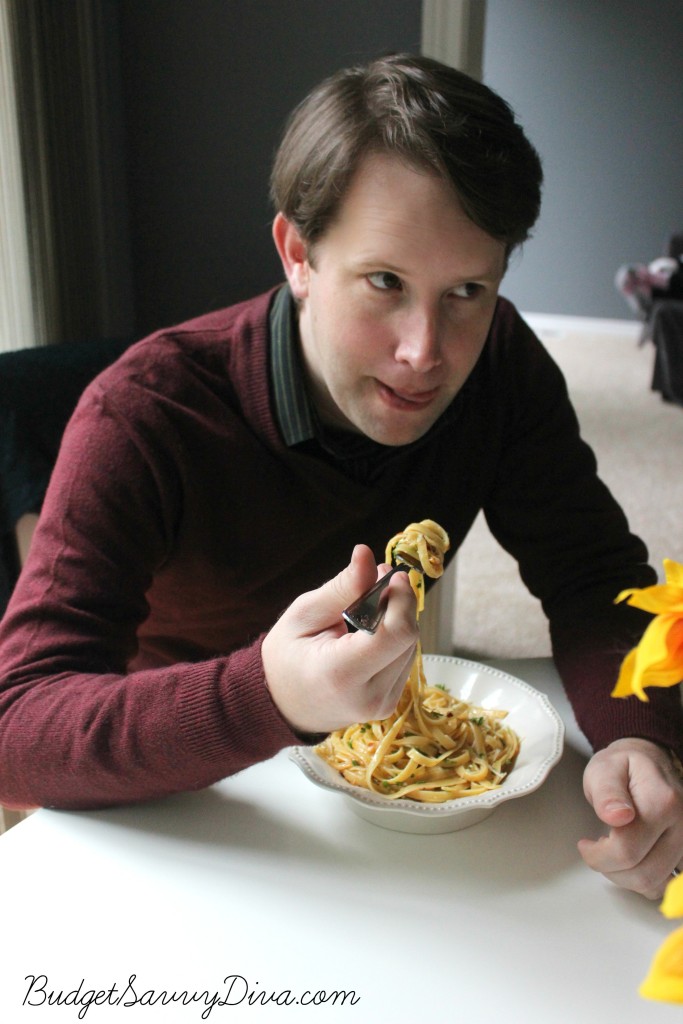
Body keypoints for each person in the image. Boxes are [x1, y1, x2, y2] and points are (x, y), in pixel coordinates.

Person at [0, 54, 681, 899]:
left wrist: (635, 737)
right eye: (384, 282)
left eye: (467, 289)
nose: (424, 352)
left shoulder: (501, 362)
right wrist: (268, 692)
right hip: (177, 805)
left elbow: (593, 577)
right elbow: (17, 727)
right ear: (297, 253)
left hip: (388, 823)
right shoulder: (140, 416)